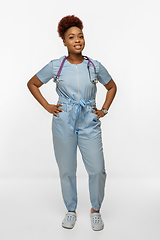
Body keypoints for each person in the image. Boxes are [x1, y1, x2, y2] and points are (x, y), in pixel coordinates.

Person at [27, 15, 117, 231]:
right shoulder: (56, 66)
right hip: (64, 120)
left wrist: (104, 109)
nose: (77, 40)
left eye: (80, 36)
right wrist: (48, 106)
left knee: (97, 169)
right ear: (64, 41)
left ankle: (95, 210)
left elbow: (112, 87)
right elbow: (32, 83)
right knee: (67, 169)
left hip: (89, 120)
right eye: (71, 37)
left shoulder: (95, 66)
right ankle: (71, 210)